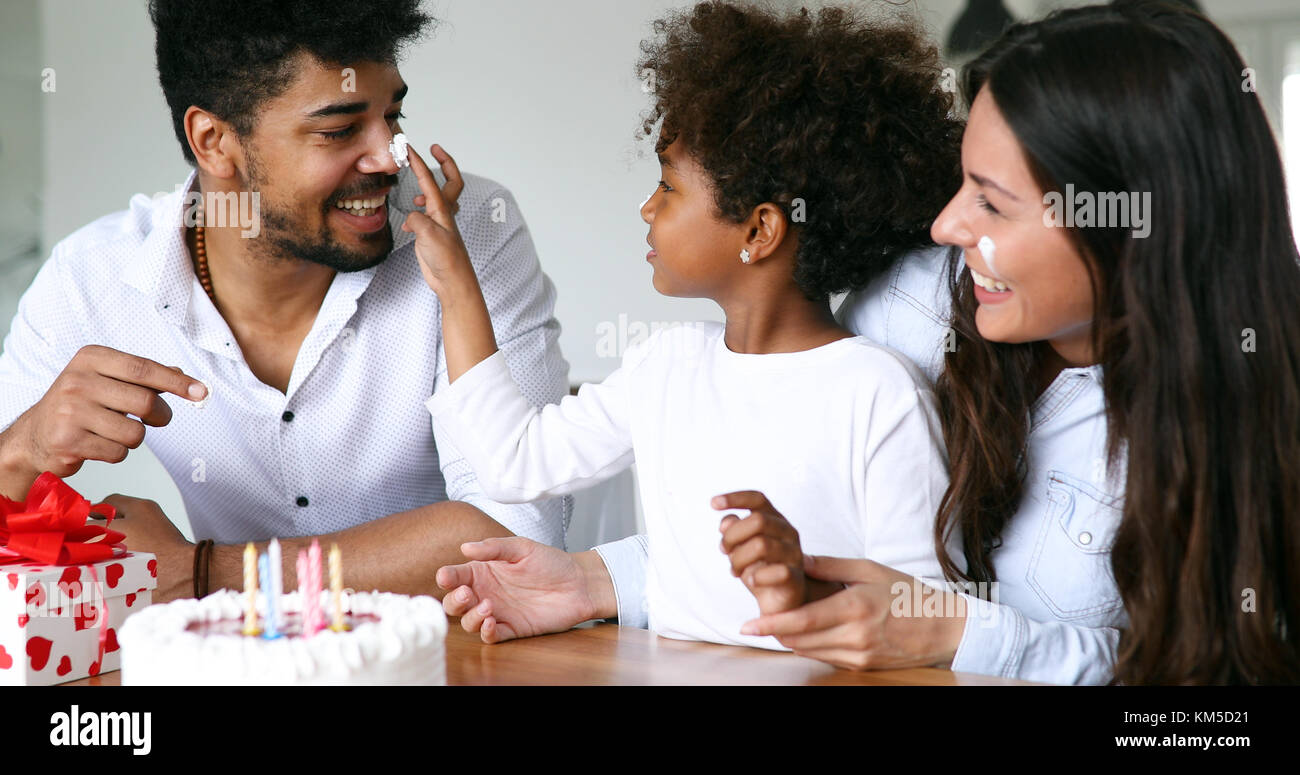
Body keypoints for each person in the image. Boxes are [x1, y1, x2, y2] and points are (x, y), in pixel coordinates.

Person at [438, 1, 1300, 684]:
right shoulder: (911, 306)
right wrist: (601, 580)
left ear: (1129, 225)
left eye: (992, 203)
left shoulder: (1246, 434)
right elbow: (804, 512)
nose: (945, 223)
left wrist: (964, 630)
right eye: (962, 180)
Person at [407, 1, 964, 649]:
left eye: (668, 187)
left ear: (758, 230)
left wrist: (801, 584)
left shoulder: (880, 394)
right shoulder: (667, 364)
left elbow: (924, 617)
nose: (646, 206)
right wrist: (456, 285)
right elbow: (515, 460)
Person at [0, 0, 571, 601]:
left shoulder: (466, 230)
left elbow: (520, 538)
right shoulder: (92, 279)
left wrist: (207, 572)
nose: (390, 158)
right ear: (214, 140)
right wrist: (21, 452)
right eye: (339, 130)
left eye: (393, 116)